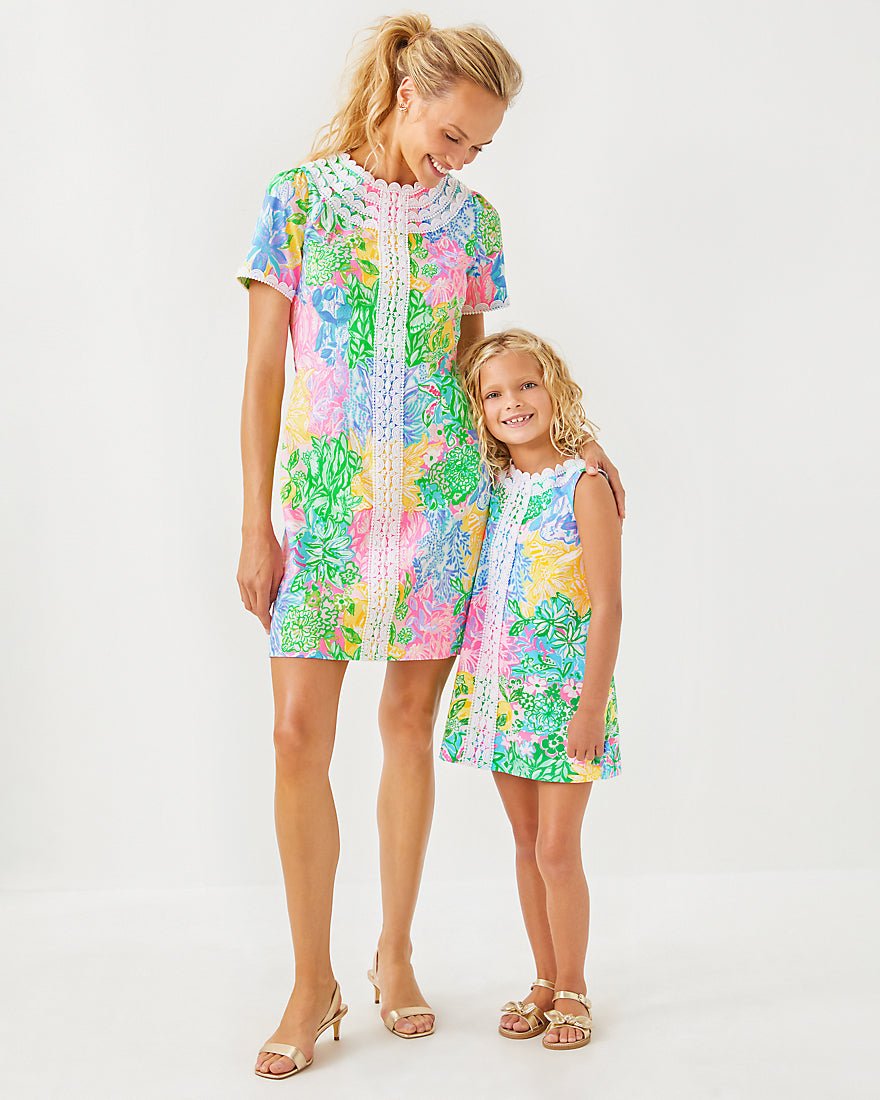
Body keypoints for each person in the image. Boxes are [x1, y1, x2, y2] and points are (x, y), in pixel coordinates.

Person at [235, 13, 624, 1078]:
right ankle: (309, 981)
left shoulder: (473, 223)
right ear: (407, 94)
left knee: (407, 724)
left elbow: (481, 372)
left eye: (479, 145)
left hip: (443, 514)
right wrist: (254, 520)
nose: (462, 158)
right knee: (295, 735)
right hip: (323, 510)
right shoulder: (297, 201)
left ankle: (394, 952)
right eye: (453, 135)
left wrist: (575, 442)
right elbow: (264, 373)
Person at [439, 327, 623, 1053]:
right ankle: (543, 978)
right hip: (498, 696)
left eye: (526, 385)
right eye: (493, 394)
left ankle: (573, 985)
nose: (512, 402)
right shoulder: (490, 488)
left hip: (566, 699)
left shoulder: (584, 486)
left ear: (554, 390)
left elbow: (608, 606)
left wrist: (590, 707)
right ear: (479, 411)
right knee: (524, 843)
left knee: (556, 849)